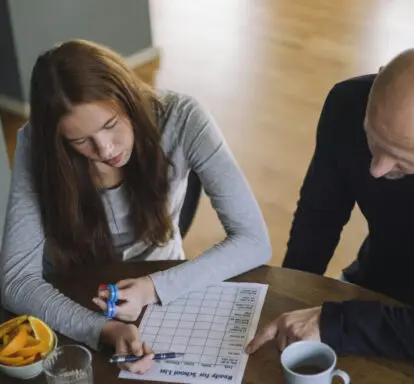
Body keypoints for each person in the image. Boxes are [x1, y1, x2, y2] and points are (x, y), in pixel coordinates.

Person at [0, 39, 271, 374]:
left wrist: (155, 288)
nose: (104, 149)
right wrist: (103, 330)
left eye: (110, 125)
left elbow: (254, 241)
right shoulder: (36, 144)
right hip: (72, 298)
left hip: (168, 284)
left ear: (128, 99)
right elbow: (15, 282)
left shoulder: (183, 118)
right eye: (80, 141)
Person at [246, 48, 414, 369]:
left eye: (403, 161)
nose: (377, 169)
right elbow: (319, 216)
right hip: (372, 285)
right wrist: (289, 296)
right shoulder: (348, 102)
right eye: (373, 138)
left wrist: (336, 323)